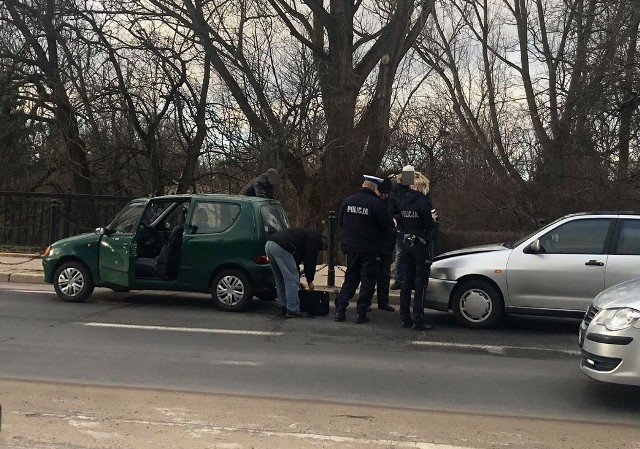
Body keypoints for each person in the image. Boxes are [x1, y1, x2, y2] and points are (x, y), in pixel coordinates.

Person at [334, 175, 392, 324]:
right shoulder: (376, 203)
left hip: (351, 247)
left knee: (351, 278)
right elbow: (385, 225)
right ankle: (361, 313)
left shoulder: (348, 200)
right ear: (374, 187)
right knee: (367, 280)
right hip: (370, 248)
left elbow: (341, 221)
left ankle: (340, 309)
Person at [398, 174, 435, 331]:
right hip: (420, 244)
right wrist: (433, 219)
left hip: (406, 243)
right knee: (420, 283)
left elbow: (401, 221)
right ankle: (418, 320)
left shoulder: (404, 201)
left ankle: (405, 317)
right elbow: (429, 226)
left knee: (406, 281)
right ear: (423, 187)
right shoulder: (423, 202)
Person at [265, 227, 323, 318]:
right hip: (282, 247)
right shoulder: (314, 239)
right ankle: (292, 310)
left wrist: (298, 280)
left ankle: (283, 306)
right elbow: (310, 260)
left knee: (280, 279)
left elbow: (293, 262)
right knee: (291, 279)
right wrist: (310, 280)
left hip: (269, 245)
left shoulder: (303, 235)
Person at [372, 177, 400, 312]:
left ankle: (383, 301)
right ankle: (366, 302)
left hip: (387, 239)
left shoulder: (394, 199)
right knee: (370, 272)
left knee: (384, 272)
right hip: (374, 239)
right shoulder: (373, 198)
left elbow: (400, 214)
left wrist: (395, 220)